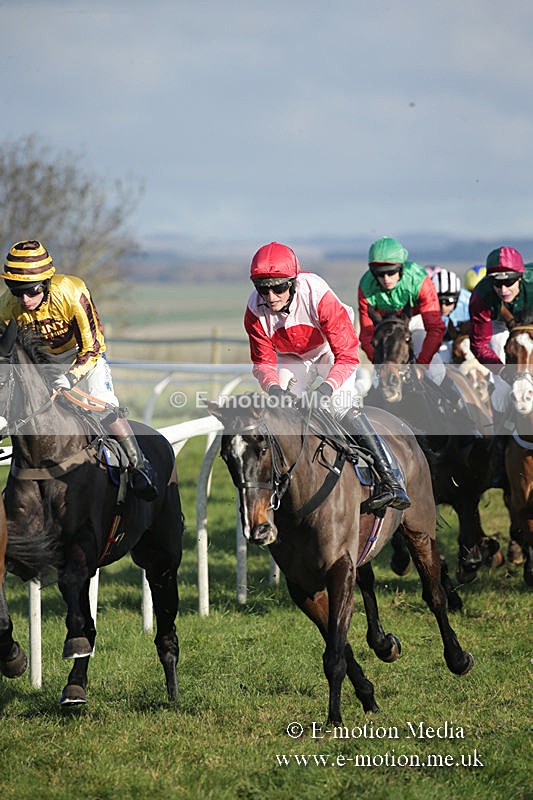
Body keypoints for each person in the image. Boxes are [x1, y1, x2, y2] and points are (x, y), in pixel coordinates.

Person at [244, 241, 409, 512]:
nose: (270, 296)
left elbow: (347, 354)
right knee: (281, 412)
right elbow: (262, 362)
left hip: (330, 352)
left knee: (338, 405)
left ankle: (391, 478)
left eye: (279, 287)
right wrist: (273, 388)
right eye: (263, 288)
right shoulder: (254, 311)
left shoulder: (317, 294)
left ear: (294, 283)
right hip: (292, 357)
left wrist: (327, 388)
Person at [0, 239, 158, 501]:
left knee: (105, 407)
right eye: (18, 292)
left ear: (47, 283)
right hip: (41, 361)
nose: (25, 300)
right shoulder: (6, 307)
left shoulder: (73, 292)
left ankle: (139, 466)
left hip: (83, 356)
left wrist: (71, 378)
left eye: (32, 291)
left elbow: (93, 347)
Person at [358, 237, 446, 383]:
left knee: (436, 370)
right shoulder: (365, 286)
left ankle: (448, 403)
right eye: (380, 274)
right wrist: (380, 365)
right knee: (376, 381)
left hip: (416, 322)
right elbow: (367, 336)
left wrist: (422, 365)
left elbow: (435, 328)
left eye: (391, 272)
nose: (386, 279)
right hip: (385, 327)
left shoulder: (419, 280)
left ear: (401, 268)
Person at [469, 246, 533, 429]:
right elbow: (479, 345)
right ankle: (499, 443)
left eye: (510, 282)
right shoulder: (481, 297)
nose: (504, 290)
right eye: (497, 283)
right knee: (501, 391)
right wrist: (502, 373)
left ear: (520, 278)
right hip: (499, 324)